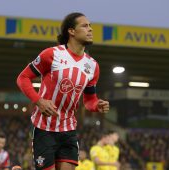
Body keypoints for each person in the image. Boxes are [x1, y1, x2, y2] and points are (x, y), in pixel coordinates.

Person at [17, 12, 109, 170]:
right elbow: (23, 78)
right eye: (85, 26)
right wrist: (39, 101)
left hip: (68, 130)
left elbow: (89, 100)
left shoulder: (93, 66)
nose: (90, 29)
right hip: (44, 129)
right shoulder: (52, 54)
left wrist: (96, 105)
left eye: (90, 26)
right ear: (71, 31)